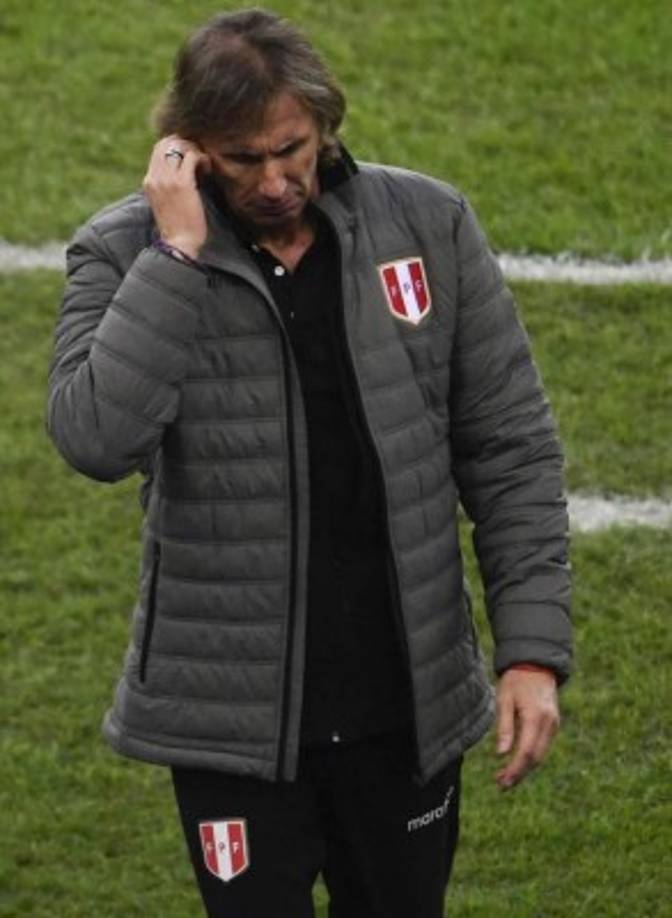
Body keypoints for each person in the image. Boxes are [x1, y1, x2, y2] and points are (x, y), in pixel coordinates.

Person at [47, 8, 572, 917]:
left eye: (290, 148)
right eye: (242, 158)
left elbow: (510, 446)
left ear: (326, 123)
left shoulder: (430, 225)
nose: (275, 180)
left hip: (405, 708)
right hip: (231, 731)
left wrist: (531, 651)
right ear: (188, 147)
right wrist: (175, 257)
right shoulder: (123, 249)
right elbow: (94, 438)